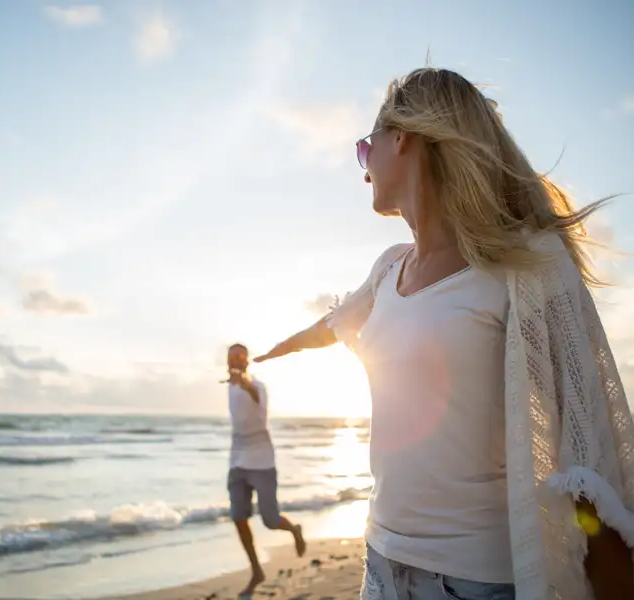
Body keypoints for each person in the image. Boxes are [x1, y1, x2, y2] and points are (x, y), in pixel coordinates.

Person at [253, 68, 634, 600]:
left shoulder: (525, 266)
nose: (364, 171)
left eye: (366, 151)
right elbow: (331, 326)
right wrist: (272, 353)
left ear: (402, 137)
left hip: (475, 582)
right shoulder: (389, 269)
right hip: (381, 568)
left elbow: (585, 448)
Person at [224, 342, 306, 596]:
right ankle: (256, 569)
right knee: (239, 517)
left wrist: (245, 383)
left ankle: (294, 529)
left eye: (240, 357)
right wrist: (237, 383)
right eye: (232, 358)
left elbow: (256, 401)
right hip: (236, 461)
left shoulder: (257, 387)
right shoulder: (229, 386)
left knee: (270, 521)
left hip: (262, 462)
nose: (236, 361)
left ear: (247, 361)